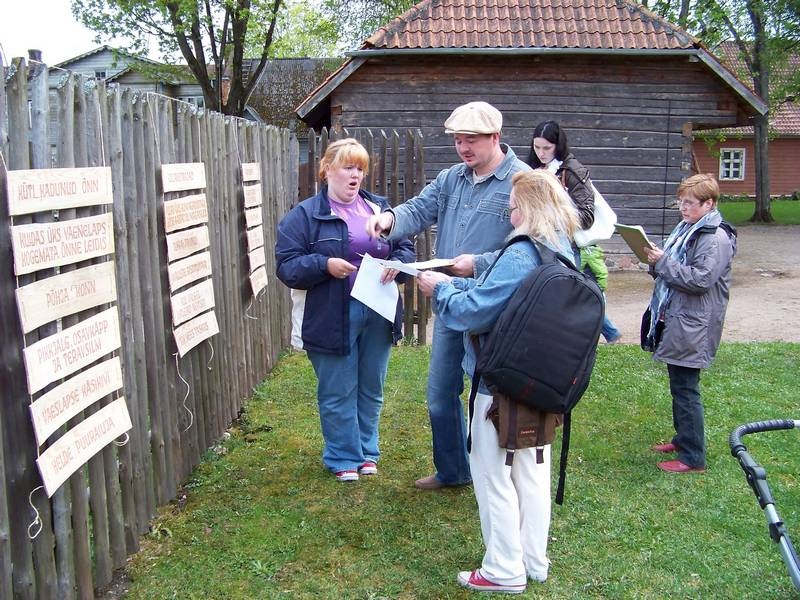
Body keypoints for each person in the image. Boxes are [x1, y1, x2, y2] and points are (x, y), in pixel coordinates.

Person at [417, 169, 579, 594]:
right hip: (544, 380)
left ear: (527, 208)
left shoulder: (522, 253)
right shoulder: (564, 250)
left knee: (492, 475)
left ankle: (503, 570)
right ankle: (533, 560)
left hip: (501, 385)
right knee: (531, 470)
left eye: (511, 207)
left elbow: (475, 311)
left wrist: (440, 289)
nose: (508, 215)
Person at [365, 101, 530, 490]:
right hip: (448, 299)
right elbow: (420, 208)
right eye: (457, 140)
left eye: (471, 140)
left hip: (494, 309)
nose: (463, 148)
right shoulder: (452, 178)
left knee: (489, 397)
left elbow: (539, 243)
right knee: (440, 393)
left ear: (496, 137)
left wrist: (479, 263)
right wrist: (389, 219)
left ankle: (499, 477)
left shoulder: (523, 180)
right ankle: (454, 471)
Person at [275, 138, 415, 482]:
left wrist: (398, 263)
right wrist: (325, 265)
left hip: (378, 311)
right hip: (330, 314)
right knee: (338, 388)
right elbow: (286, 266)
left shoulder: (379, 210)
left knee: (371, 385)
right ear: (327, 170)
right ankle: (342, 456)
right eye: (348, 167)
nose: (355, 176)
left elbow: (408, 248)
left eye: (360, 169)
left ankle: (367, 452)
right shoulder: (305, 216)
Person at [642, 173, 737, 473]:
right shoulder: (689, 229)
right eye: (681, 202)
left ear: (709, 204)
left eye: (690, 203)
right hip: (680, 318)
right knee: (679, 384)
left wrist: (663, 263)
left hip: (695, 323)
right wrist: (657, 261)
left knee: (686, 388)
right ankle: (683, 439)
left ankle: (693, 457)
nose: (683, 208)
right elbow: (676, 269)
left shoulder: (714, 238)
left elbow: (700, 280)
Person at [527, 120, 595, 230]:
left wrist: (549, 216)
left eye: (547, 148)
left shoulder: (573, 171)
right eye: (537, 147)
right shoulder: (531, 168)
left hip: (565, 240)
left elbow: (586, 217)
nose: (541, 153)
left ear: (558, 146)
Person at [580, 244, 622, 343]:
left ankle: (612, 334)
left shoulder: (589, 252)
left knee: (592, 313)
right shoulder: (585, 251)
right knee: (590, 313)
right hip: (587, 289)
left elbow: (602, 273)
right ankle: (612, 334)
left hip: (593, 290)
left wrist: (599, 289)